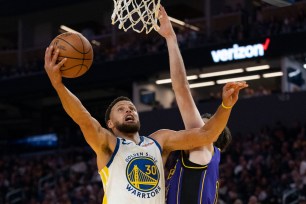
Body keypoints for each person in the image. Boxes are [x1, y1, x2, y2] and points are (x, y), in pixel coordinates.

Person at [44, 11, 246, 204]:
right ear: (110, 123)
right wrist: (58, 85)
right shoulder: (108, 144)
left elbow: (205, 135)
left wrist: (226, 106)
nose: (129, 110)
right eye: (121, 109)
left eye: (131, 108)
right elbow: (82, 117)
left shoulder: (159, 141)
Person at [156, 6, 248, 204]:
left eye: (202, 124)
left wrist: (171, 38)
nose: (190, 128)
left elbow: (181, 89)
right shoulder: (204, 159)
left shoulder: (203, 145)